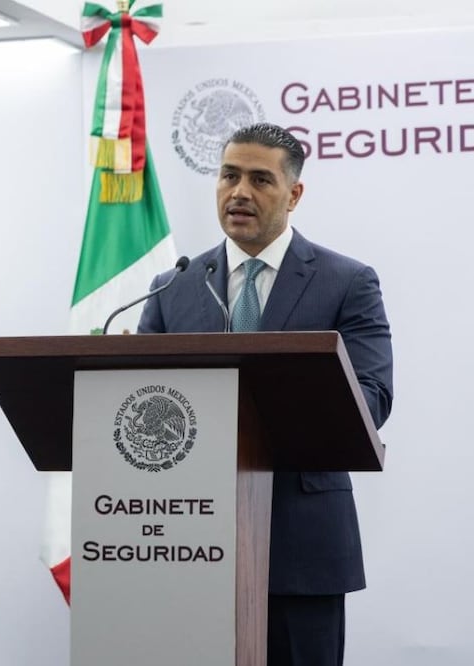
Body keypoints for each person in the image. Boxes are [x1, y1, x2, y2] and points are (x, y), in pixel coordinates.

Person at [137, 122, 393, 666]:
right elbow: (140, 397)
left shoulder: (346, 281)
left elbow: (372, 399)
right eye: (229, 176)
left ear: (294, 194)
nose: (239, 193)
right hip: (184, 545)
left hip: (301, 547)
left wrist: (272, 406)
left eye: (260, 179)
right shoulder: (172, 286)